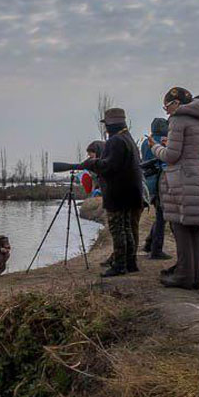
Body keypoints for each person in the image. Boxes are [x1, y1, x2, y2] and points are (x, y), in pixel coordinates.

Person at [149, 87, 199, 290]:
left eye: (167, 106)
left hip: (182, 179)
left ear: (177, 103)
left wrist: (155, 146)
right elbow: (189, 148)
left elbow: (172, 156)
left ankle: (183, 276)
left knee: (181, 228)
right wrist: (169, 142)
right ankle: (195, 276)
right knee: (193, 229)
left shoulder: (178, 120)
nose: (166, 111)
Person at [81, 108, 144, 277]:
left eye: (106, 125)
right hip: (130, 192)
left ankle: (119, 265)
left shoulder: (115, 141)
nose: (105, 129)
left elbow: (109, 167)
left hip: (118, 193)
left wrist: (92, 163)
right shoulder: (128, 138)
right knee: (127, 229)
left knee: (118, 230)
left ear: (110, 124)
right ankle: (131, 263)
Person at [141, 118, 172, 260]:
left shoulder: (145, 142)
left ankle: (149, 244)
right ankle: (156, 250)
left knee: (160, 214)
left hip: (148, 181)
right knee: (161, 216)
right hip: (160, 181)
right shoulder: (165, 141)